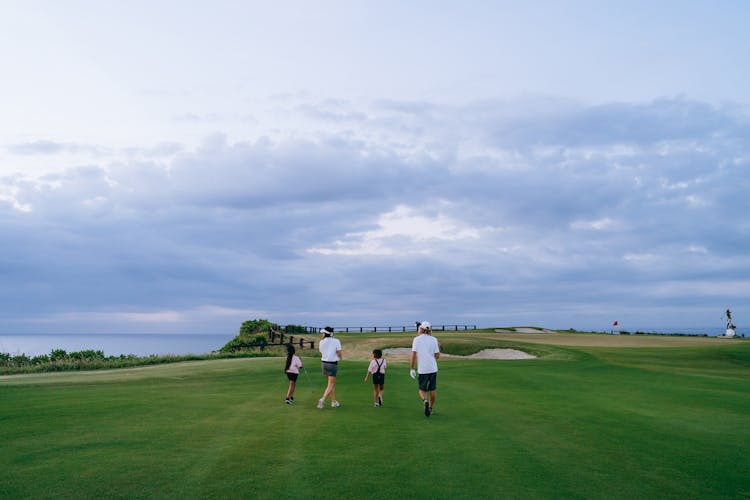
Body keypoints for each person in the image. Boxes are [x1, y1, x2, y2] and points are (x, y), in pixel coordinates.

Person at [410, 321, 440, 417]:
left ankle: (425, 400)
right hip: (433, 368)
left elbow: (413, 355)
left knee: (422, 389)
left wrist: (411, 368)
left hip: (423, 369)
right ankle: (430, 408)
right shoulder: (434, 339)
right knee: (433, 389)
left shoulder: (416, 339)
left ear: (421, 329)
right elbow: (437, 356)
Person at [317, 326, 342, 409]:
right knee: (331, 384)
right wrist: (340, 358)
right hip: (332, 364)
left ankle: (334, 402)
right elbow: (339, 352)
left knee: (330, 384)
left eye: (323, 333)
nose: (322, 334)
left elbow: (321, 351)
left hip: (324, 364)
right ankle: (322, 399)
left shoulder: (321, 342)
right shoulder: (336, 341)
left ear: (325, 333)